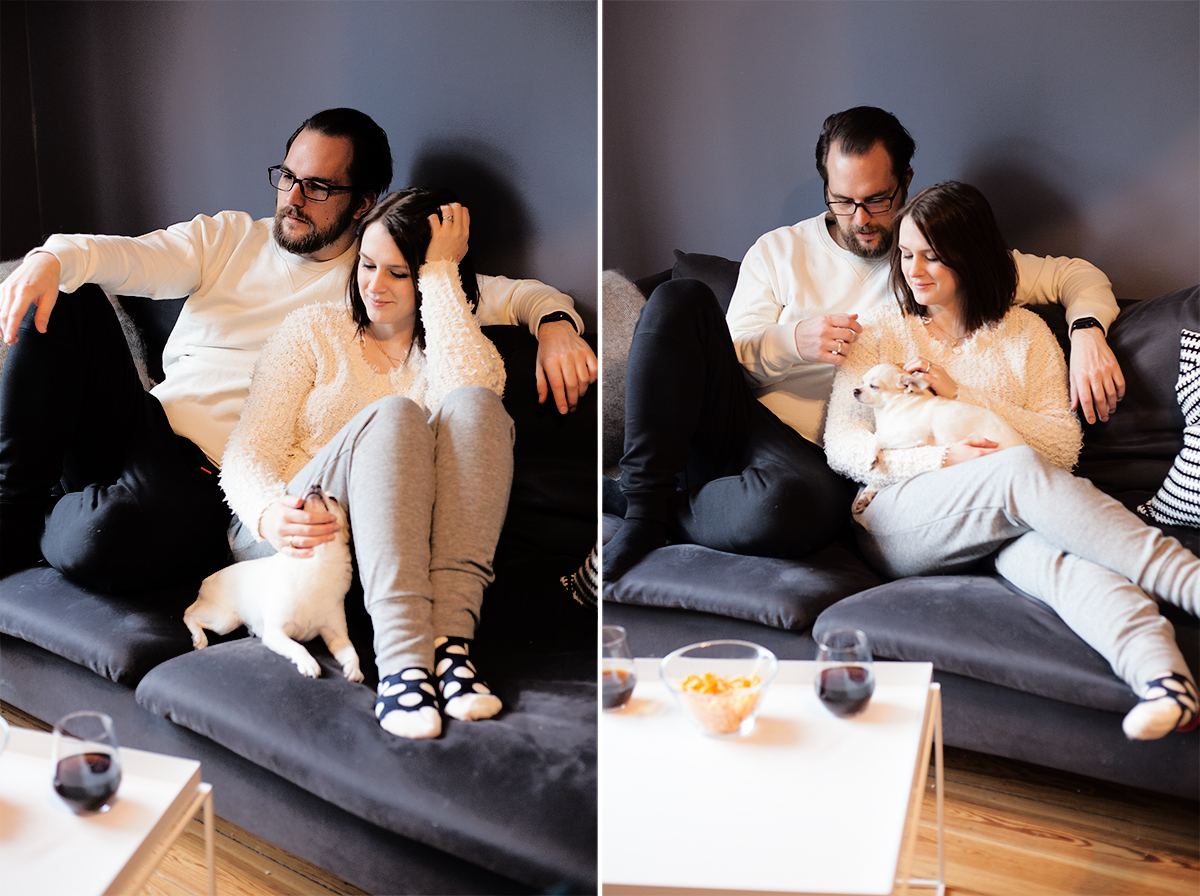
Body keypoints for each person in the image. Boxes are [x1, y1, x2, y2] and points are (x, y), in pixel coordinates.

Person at [0, 108, 596, 589]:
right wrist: (52, 258)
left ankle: (59, 508)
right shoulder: (227, 237)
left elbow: (515, 296)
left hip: (210, 481)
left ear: (363, 203)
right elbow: (127, 256)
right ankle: (14, 511)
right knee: (65, 293)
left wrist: (555, 324)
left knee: (104, 539)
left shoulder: (380, 280)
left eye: (317, 186)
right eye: (287, 176)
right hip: (141, 425)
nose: (293, 197)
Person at [604, 105, 1124, 583]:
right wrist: (792, 342)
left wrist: (1086, 333)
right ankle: (645, 513)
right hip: (735, 415)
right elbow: (723, 355)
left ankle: (638, 501)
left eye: (877, 200)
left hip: (809, 459)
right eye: (843, 200)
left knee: (793, 511)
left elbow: (1073, 276)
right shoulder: (779, 251)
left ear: (905, 182)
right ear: (826, 187)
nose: (861, 219)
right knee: (678, 297)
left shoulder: (930, 257)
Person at [823, 181, 1198, 740]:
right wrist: (940, 458)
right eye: (905, 253)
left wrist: (963, 395)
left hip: (1002, 514)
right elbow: (843, 443)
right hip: (899, 514)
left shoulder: (1027, 335)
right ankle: (1188, 581)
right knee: (1014, 470)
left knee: (1070, 561)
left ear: (971, 255)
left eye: (932, 256)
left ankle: (1163, 680)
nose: (913, 270)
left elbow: (1062, 447)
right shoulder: (879, 330)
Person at [221, 189, 509, 739]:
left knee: (475, 403)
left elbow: (473, 392)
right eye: (368, 265)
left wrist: (440, 273)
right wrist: (267, 514)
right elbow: (247, 451)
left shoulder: (454, 347)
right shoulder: (312, 330)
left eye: (399, 273)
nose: (374, 285)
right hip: (294, 532)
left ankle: (449, 648)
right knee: (396, 414)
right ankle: (402, 663)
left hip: (385, 550)